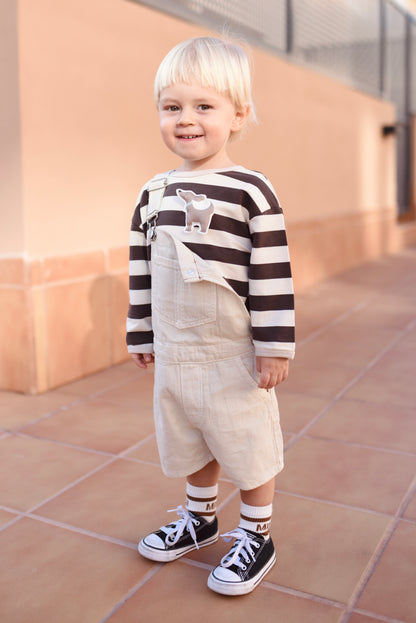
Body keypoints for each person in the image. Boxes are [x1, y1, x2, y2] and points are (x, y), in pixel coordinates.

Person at [126, 36, 295, 596]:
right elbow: (142, 269)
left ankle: (257, 534)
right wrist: (142, 331)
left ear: (239, 115)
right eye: (172, 107)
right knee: (190, 438)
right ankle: (200, 520)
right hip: (176, 350)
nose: (186, 120)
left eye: (204, 107)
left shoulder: (251, 190)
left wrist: (274, 345)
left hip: (232, 353)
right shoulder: (153, 192)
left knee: (244, 443)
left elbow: (272, 271)